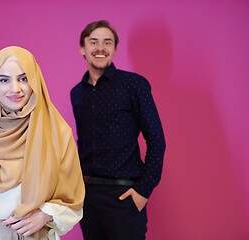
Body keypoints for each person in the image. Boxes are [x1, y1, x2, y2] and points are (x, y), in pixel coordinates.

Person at [0, 46, 85, 240]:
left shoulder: (57, 133)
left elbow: (73, 200)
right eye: (4, 80)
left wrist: (45, 214)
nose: (15, 89)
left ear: (35, 81)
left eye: (23, 78)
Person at [70, 20, 166, 240]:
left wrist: (143, 190)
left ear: (114, 49)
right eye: (93, 42)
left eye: (107, 42)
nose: (100, 48)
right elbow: (81, 142)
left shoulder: (134, 85)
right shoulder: (77, 93)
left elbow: (156, 139)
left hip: (124, 196)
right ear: (82, 49)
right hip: (88, 196)